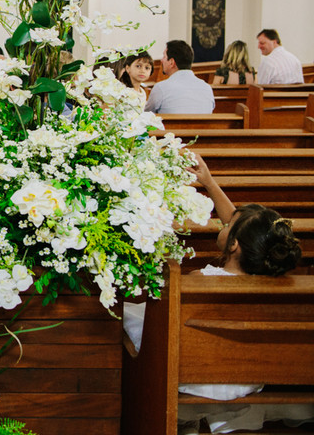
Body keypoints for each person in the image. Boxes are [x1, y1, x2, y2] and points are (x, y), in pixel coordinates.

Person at [124, 154, 307, 433]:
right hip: (244, 379)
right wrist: (209, 183)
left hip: (196, 378)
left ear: (233, 244)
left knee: (130, 316)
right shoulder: (272, 281)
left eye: (228, 223)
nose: (223, 221)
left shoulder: (201, 280)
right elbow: (242, 229)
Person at [145, 40, 215, 115]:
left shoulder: (161, 88)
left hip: (170, 127)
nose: (161, 60)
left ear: (171, 62)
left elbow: (146, 116)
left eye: (164, 57)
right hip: (203, 127)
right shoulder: (207, 88)